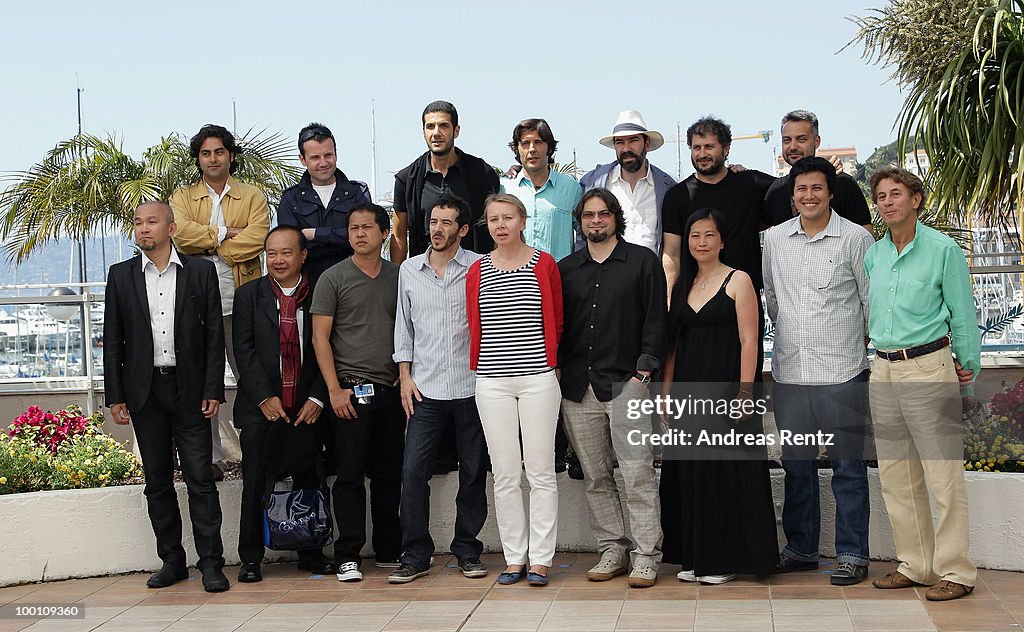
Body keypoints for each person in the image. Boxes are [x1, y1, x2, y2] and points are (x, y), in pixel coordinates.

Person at [865, 167, 980, 601]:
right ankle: (916, 564)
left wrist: (967, 373)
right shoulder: (874, 255)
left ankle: (956, 571)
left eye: (896, 194)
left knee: (943, 474)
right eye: (880, 196)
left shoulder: (942, 249)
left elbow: (963, 315)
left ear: (916, 200)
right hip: (884, 368)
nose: (887, 201)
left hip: (929, 367)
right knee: (897, 474)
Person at [103, 201, 229, 592]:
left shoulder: (200, 271)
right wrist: (115, 395)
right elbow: (113, 340)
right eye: (138, 223)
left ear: (171, 228)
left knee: (200, 480)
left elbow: (213, 337)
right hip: (145, 391)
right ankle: (172, 560)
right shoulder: (120, 275)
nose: (143, 229)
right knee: (156, 481)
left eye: (152, 222)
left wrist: (213, 389)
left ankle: (211, 564)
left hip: (190, 389)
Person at [762, 157, 875, 586]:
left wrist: (857, 349)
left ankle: (851, 553)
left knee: (848, 469)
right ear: (792, 195)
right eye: (801, 189)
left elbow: (869, 303)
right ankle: (802, 548)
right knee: (797, 469)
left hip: (843, 371)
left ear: (830, 192)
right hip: (791, 372)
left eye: (817, 188)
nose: (809, 196)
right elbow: (772, 297)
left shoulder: (853, 239)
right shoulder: (773, 240)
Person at [659, 208, 777, 585]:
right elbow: (673, 344)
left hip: (728, 388)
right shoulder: (682, 283)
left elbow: (749, 340)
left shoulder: (739, 279)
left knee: (726, 474)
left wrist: (746, 391)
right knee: (692, 474)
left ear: (722, 240)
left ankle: (725, 559)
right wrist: (665, 392)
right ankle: (696, 557)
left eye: (709, 235)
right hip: (688, 391)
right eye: (694, 235)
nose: (701, 242)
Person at [558, 188, 666, 588]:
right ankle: (612, 550)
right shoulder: (567, 268)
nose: (596, 221)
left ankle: (646, 556)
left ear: (615, 217)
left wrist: (643, 374)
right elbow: (557, 326)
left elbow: (657, 320)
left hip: (627, 386)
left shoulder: (642, 262)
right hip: (577, 388)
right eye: (589, 215)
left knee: (638, 474)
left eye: (603, 214)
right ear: (580, 220)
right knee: (596, 477)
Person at [388, 193, 489, 584]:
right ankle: (415, 554)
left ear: (462, 230)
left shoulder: (481, 268)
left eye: (447, 222)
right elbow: (403, 329)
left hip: (472, 387)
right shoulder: (409, 271)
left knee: (474, 473)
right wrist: (404, 376)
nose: (437, 229)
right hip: (424, 390)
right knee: (413, 473)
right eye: (433, 221)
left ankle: (467, 551)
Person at [467, 193, 563, 586]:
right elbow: (474, 323)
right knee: (505, 473)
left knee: (540, 471)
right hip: (491, 382)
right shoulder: (477, 269)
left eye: (508, 217)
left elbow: (556, 319)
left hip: (539, 378)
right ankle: (514, 558)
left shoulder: (545, 264)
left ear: (523, 221)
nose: (501, 225)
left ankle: (541, 559)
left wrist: (551, 367)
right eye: (493, 219)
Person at [232, 226, 336, 583]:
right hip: (262, 406)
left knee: (309, 479)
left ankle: (311, 552)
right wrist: (264, 396)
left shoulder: (321, 292)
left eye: (286, 252)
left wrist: (318, 396)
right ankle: (250, 558)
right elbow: (241, 351)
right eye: (271, 253)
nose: (278, 260)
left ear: (303, 255)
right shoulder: (249, 295)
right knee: (256, 481)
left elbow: (333, 348)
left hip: (307, 405)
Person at [170, 124, 271, 478]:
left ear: (231, 155)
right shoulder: (183, 196)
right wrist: (227, 235)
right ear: (198, 158)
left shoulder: (252, 196)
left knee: (252, 376)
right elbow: (180, 236)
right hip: (196, 305)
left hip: (241, 301)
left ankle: (261, 453)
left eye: (219, 152)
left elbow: (258, 238)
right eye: (206, 153)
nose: (213, 158)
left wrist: (210, 245)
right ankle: (208, 458)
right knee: (199, 383)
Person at [311, 203, 403, 583]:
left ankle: (388, 550)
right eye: (353, 228)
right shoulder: (332, 277)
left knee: (389, 474)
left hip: (393, 391)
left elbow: (414, 327)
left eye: (368, 227)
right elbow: (320, 337)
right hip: (349, 392)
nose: (360, 233)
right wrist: (334, 390)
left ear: (385, 234)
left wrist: (406, 373)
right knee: (348, 477)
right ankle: (347, 554)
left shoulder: (401, 276)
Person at [661, 116, 775, 295]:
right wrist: (668, 301)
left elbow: (795, 189)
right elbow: (671, 255)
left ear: (726, 149)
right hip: (695, 297)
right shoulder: (677, 196)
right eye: (696, 147)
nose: (702, 154)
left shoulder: (751, 183)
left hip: (745, 297)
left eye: (709, 147)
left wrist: (831, 173)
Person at [392, 100, 500, 263]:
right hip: (425, 275)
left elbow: (496, 228)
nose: (436, 133)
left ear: (456, 131)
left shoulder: (482, 173)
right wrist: (398, 280)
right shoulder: (407, 179)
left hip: (474, 272)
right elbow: (399, 237)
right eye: (430, 126)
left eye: (443, 126)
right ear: (423, 132)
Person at [277, 122, 372, 288]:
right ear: (302, 160)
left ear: (336, 154)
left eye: (328, 155)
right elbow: (290, 247)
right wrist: (341, 237)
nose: (323, 162)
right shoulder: (290, 199)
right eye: (315, 157)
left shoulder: (358, 192)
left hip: (354, 282)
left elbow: (366, 238)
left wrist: (316, 235)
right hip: (307, 286)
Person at [580, 110, 677, 254]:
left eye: (633, 140)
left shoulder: (666, 188)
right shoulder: (593, 183)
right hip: (605, 273)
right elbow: (582, 237)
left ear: (647, 144)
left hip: (650, 274)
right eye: (620, 142)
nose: (626, 148)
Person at [763, 110, 873, 231]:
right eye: (787, 140)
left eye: (801, 139)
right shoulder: (776, 190)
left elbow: (865, 234)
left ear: (817, 141)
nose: (793, 147)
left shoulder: (843, 183)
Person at [500, 118, 582, 261]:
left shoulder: (570, 188)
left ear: (549, 148)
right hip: (516, 277)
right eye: (525, 143)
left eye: (538, 142)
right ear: (517, 148)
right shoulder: (505, 188)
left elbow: (584, 233)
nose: (532, 149)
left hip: (559, 277)